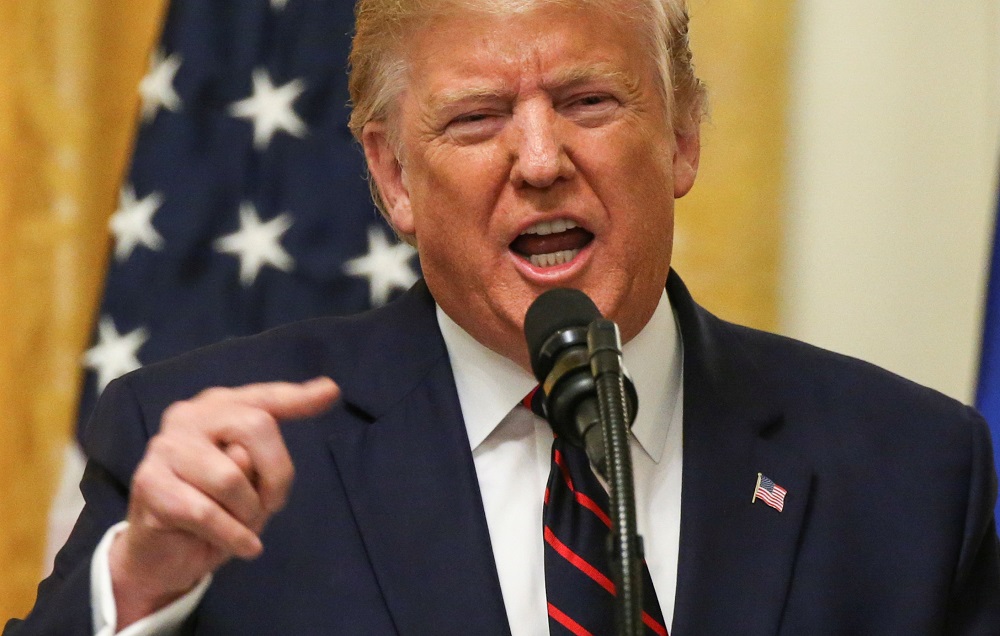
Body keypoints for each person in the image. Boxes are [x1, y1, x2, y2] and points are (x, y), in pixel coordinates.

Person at [7, 0, 1000, 633]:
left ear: (684, 135)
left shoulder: (910, 469)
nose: (538, 159)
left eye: (589, 100)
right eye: (477, 118)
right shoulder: (200, 457)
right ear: (393, 177)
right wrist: (138, 591)